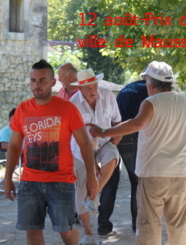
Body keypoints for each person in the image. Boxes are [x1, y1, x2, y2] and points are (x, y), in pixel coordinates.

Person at [87, 61, 186, 245]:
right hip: (179, 172)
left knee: (149, 226)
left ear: (150, 83)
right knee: (179, 225)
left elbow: (136, 124)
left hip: (153, 172)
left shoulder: (150, 102)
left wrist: (103, 132)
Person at [3, 59, 98, 245]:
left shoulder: (68, 108)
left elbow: (85, 143)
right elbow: (14, 146)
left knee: (67, 232)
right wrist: (7, 178)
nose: (36, 85)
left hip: (61, 181)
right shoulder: (22, 109)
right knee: (32, 232)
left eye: (42, 80)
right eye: (33, 80)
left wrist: (91, 176)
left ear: (53, 82)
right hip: (30, 182)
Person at [69, 68, 122, 244]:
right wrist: (91, 167)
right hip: (81, 149)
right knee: (81, 191)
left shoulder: (107, 95)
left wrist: (115, 140)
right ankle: (89, 235)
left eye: (95, 86)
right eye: (88, 88)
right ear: (80, 89)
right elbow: (72, 135)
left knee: (113, 156)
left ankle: (94, 196)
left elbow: (117, 122)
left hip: (105, 143)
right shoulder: (73, 103)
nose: (93, 90)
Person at [116, 78, 148, 233]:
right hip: (135, 137)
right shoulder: (147, 90)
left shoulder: (126, 88)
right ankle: (139, 225)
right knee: (139, 183)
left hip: (120, 137)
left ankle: (136, 225)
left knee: (135, 182)